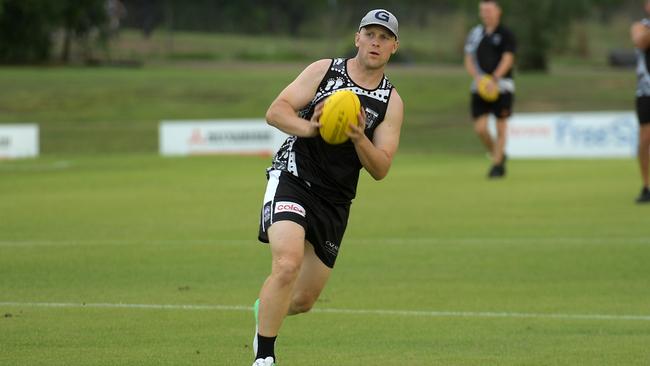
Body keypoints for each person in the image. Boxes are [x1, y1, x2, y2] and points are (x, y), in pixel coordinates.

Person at [251, 9, 404, 366]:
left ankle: (265, 309)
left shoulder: (390, 102)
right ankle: (265, 358)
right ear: (357, 38)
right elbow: (276, 111)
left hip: (334, 201)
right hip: (292, 176)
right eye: (370, 34)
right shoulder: (325, 71)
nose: (375, 42)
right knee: (286, 264)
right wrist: (311, 128)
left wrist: (358, 137)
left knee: (303, 300)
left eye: (384, 37)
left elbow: (381, 167)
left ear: (394, 47)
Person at [464, 0, 516, 178]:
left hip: (502, 87)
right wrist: (479, 78)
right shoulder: (475, 33)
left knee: (501, 127)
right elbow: (469, 59)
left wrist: (494, 79)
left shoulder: (506, 34)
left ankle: (497, 166)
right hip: (480, 87)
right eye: (483, 10)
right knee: (480, 129)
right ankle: (499, 154)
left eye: (489, 10)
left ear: (498, 11)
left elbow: (508, 59)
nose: (485, 13)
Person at [630, 0, 650, 203]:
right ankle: (647, 185)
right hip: (646, 91)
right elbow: (641, 42)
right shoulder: (640, 27)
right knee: (645, 139)